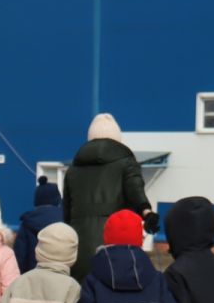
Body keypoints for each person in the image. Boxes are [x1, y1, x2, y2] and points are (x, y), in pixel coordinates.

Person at [62, 114, 153, 280]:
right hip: (114, 245)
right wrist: (146, 212)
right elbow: (136, 192)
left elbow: (66, 214)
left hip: (77, 248)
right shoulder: (126, 163)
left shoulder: (73, 170)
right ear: (118, 138)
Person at [13, 179, 64, 275]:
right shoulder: (66, 220)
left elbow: (20, 256)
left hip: (33, 277)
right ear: (57, 199)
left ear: (37, 201)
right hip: (63, 275)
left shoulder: (28, 222)